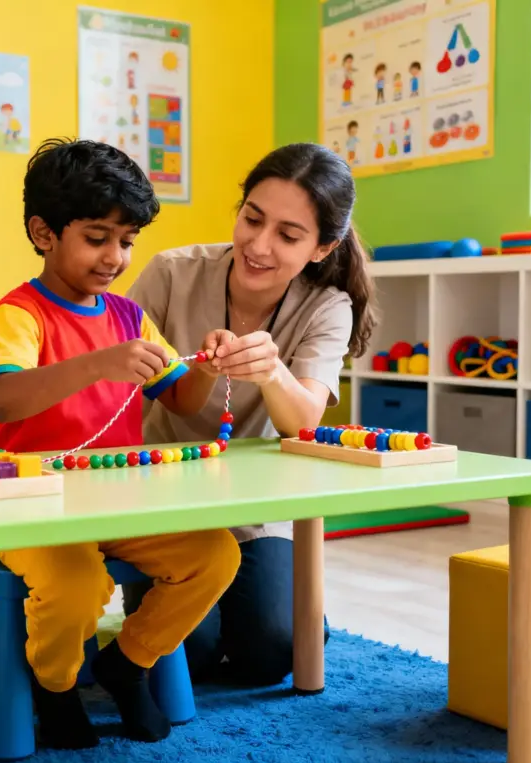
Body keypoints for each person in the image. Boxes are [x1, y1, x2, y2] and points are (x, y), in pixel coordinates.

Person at [0, 137, 242, 750]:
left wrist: (207, 363)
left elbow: (181, 399)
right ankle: (55, 684)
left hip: (115, 503)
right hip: (32, 504)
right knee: (76, 584)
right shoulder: (20, 315)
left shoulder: (127, 317)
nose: (115, 258)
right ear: (44, 233)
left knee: (216, 556)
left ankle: (129, 661)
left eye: (126, 242)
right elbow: (4, 399)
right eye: (97, 238)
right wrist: (99, 365)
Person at [123, 142, 377, 687]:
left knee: (270, 653)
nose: (258, 246)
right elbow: (118, 383)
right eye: (252, 219)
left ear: (321, 246)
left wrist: (272, 371)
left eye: (287, 235)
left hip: (256, 512)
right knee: (186, 657)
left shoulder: (327, 304)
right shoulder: (171, 273)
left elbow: (304, 420)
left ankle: (271, 607)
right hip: (165, 505)